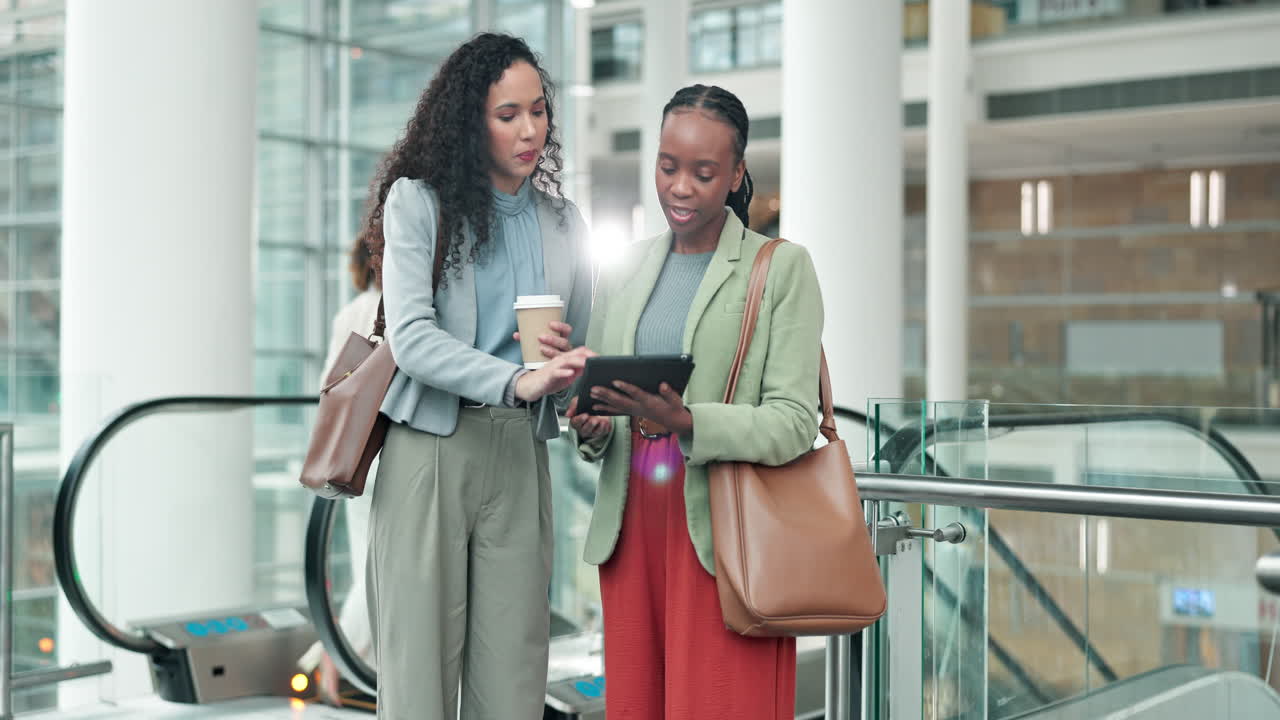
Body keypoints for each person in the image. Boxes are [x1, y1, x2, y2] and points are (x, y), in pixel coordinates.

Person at [568, 84, 824, 719]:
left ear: (738, 172)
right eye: (668, 166)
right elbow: (599, 411)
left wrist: (688, 423)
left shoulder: (781, 267)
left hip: (725, 536)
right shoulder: (623, 269)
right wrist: (592, 424)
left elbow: (795, 421)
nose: (680, 187)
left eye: (704, 173)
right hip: (631, 532)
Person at [362, 33, 594, 719]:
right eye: (507, 115)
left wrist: (578, 385)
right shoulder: (419, 202)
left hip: (521, 456)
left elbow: (580, 347)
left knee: (516, 678)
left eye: (539, 110)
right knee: (417, 680)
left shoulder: (564, 222)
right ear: (471, 121)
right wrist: (512, 380)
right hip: (431, 452)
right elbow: (411, 339)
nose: (530, 129)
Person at [296, 233, 380, 705]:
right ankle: (331, 662)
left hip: (355, 458)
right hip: (381, 457)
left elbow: (329, 386)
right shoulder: (386, 309)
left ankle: (337, 667)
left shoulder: (350, 311)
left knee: (370, 560)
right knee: (376, 568)